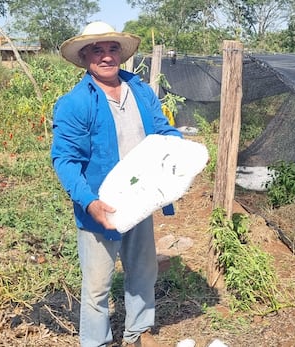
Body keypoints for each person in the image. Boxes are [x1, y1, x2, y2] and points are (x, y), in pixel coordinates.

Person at [51, 21, 181, 347]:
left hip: (139, 199)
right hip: (101, 207)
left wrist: (180, 151)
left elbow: (163, 131)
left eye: (112, 49)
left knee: (142, 273)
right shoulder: (76, 103)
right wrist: (90, 203)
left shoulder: (140, 91)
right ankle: (96, 342)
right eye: (98, 50)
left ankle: (138, 333)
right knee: (97, 287)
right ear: (85, 58)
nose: (107, 57)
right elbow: (65, 161)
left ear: (120, 54)